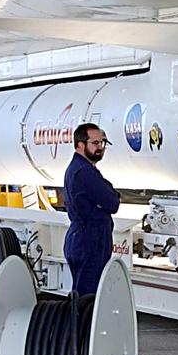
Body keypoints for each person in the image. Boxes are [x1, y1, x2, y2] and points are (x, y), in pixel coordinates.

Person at [63, 123, 121, 296]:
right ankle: (82, 323)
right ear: (80, 145)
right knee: (88, 297)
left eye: (103, 143)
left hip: (85, 239)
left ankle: (82, 322)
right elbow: (112, 202)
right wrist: (110, 195)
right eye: (95, 143)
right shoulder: (84, 172)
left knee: (86, 294)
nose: (100, 148)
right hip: (90, 241)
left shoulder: (81, 169)